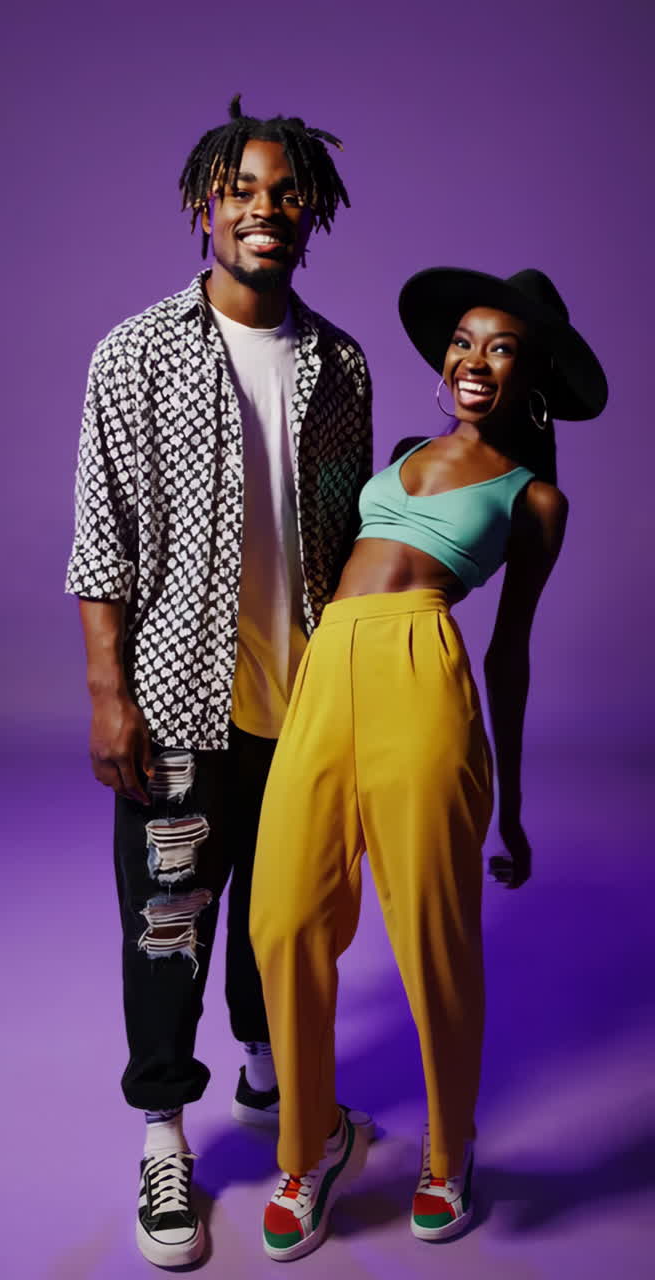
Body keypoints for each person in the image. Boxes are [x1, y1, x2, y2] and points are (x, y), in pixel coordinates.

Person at [65, 96, 373, 1267]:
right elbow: (103, 537)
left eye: (285, 191)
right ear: (207, 206)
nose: (264, 208)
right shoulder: (134, 352)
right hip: (180, 701)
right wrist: (108, 691)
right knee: (167, 923)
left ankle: (266, 1070)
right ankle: (161, 1132)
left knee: (281, 912)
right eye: (242, 189)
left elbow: (347, 539)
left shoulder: (340, 364)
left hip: (306, 707)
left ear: (312, 212)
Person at [250, 267, 608, 1261]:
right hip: (330, 667)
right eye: (463, 340)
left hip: (423, 675)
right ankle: (314, 1139)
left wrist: (517, 804)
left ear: (528, 372)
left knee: (433, 935)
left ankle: (449, 1151)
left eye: (499, 346)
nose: (473, 359)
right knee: (281, 914)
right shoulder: (402, 451)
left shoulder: (533, 496)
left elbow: (511, 649)